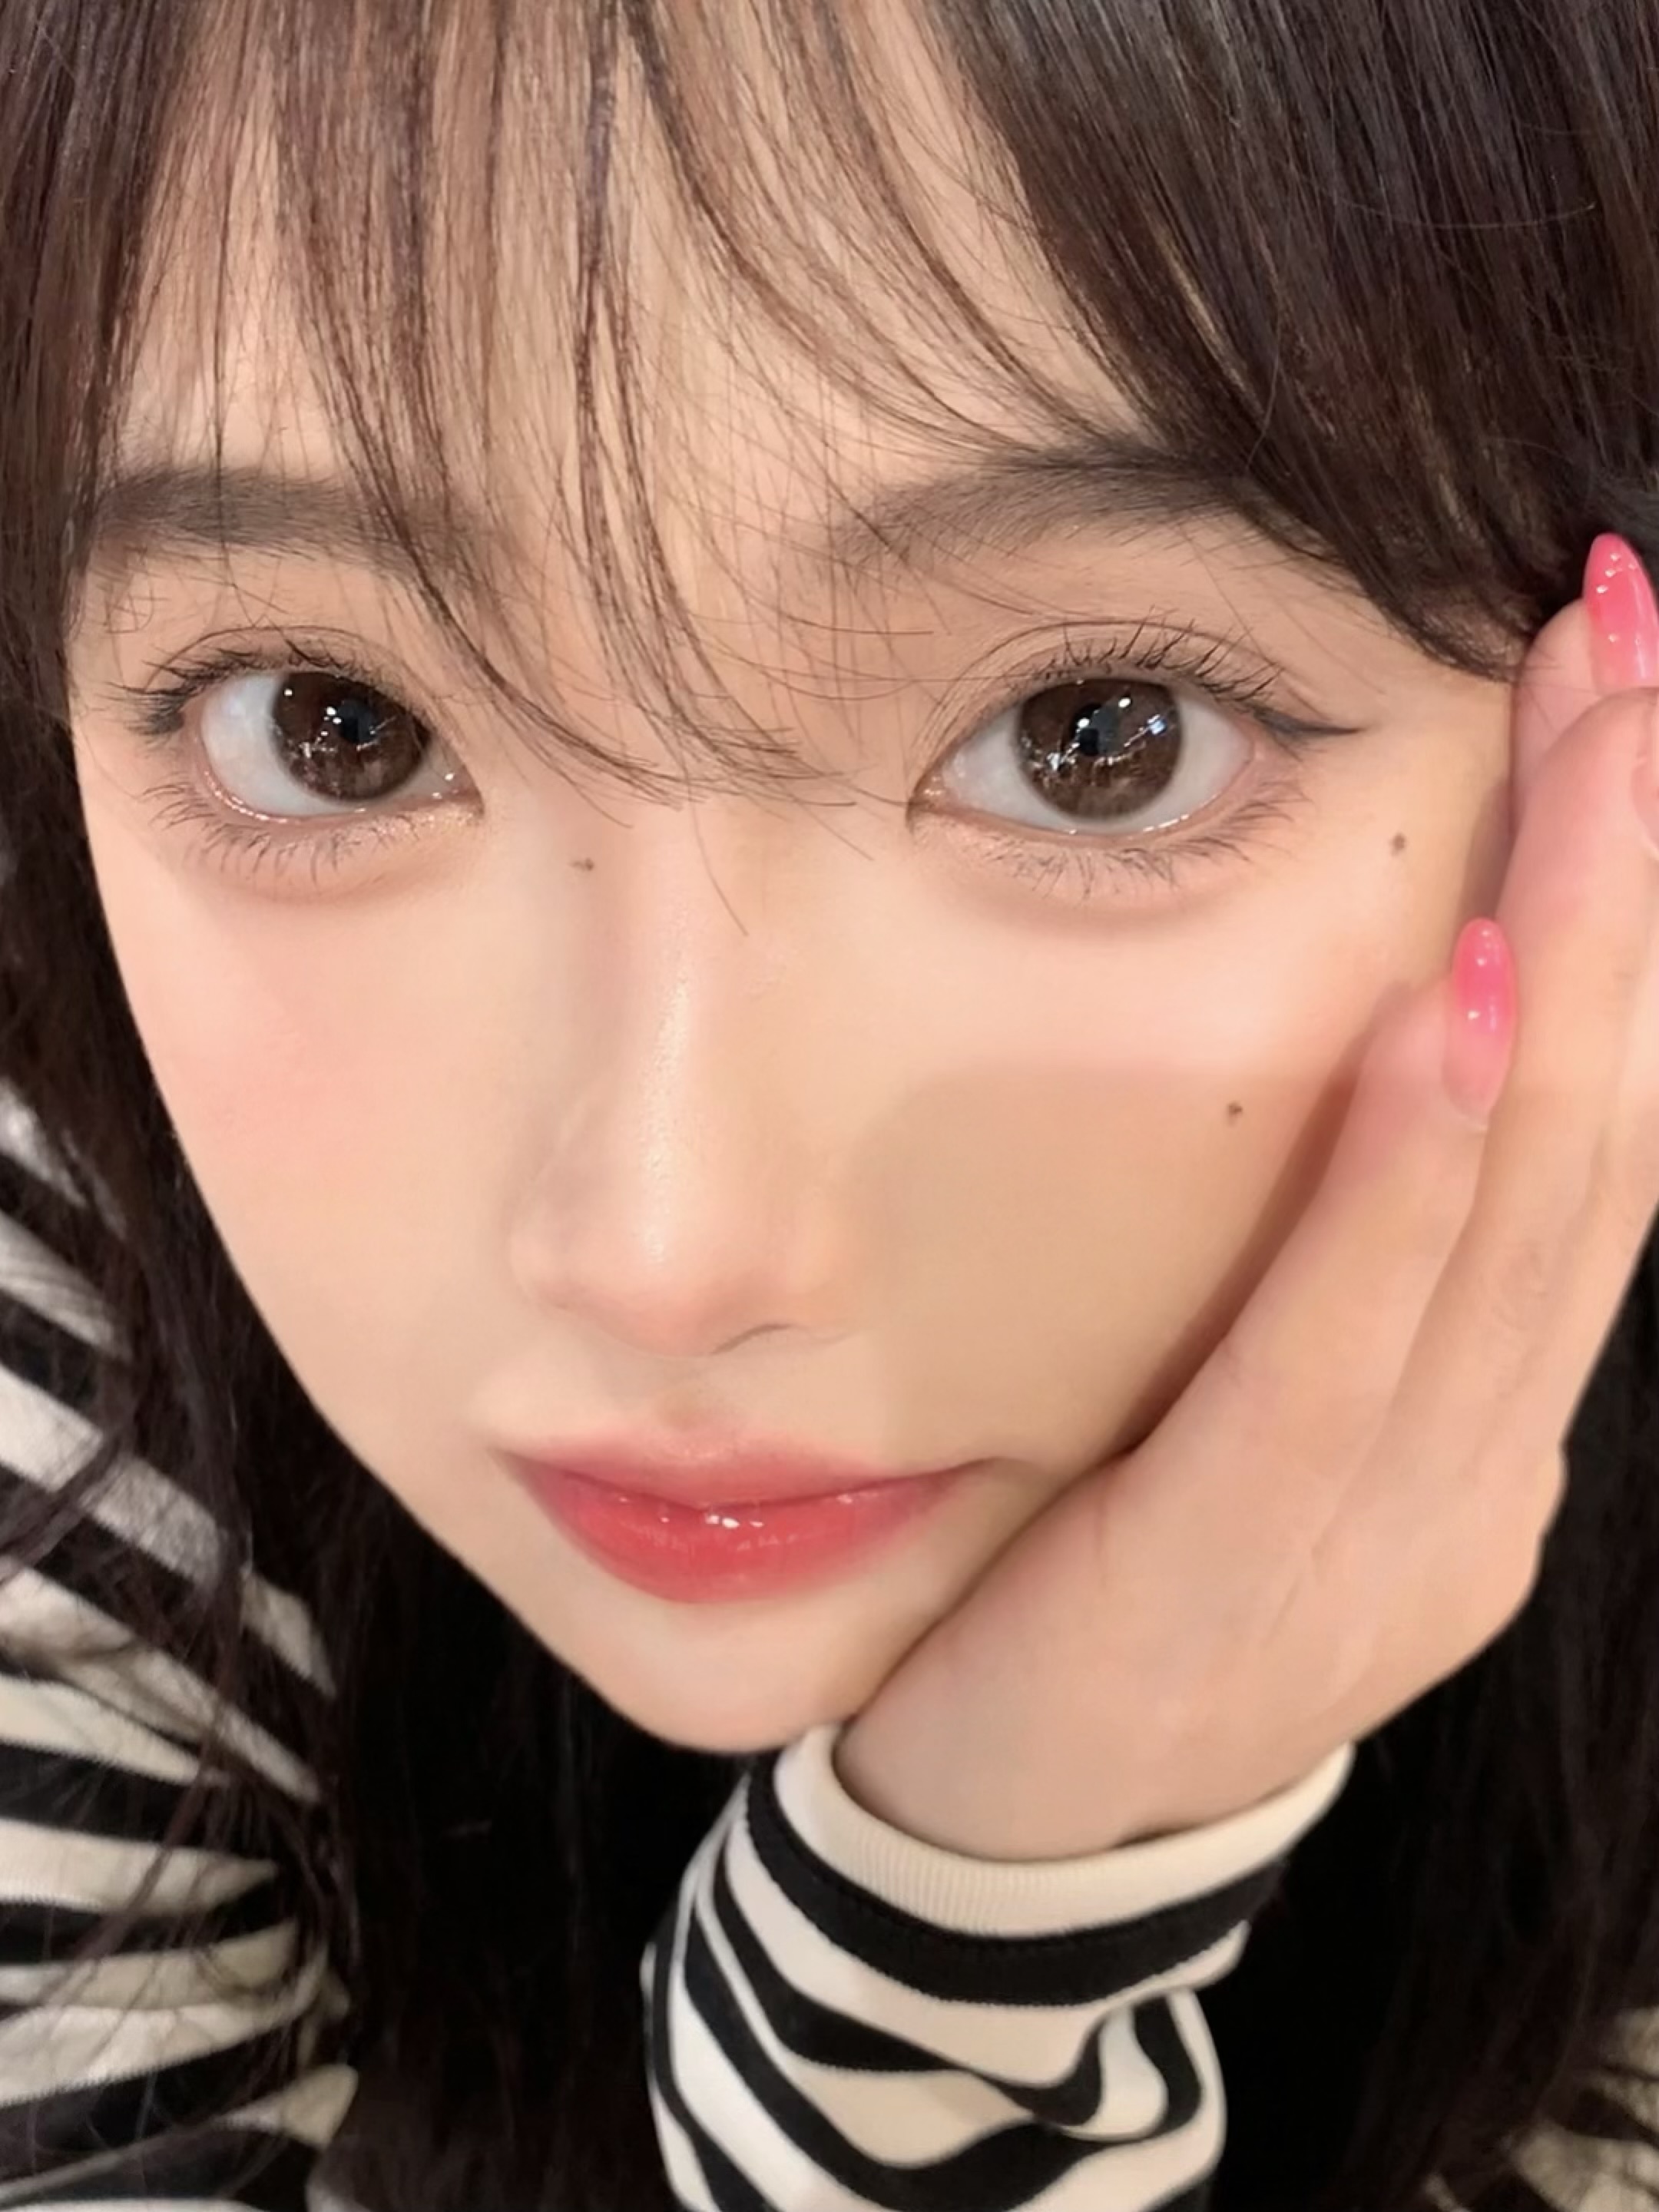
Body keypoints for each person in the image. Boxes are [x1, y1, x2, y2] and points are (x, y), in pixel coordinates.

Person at [2, 0, 1658, 2206]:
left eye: (1098, 737)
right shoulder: (64, 1354)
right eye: (333, 726)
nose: (666, 1252)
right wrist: (962, 1950)